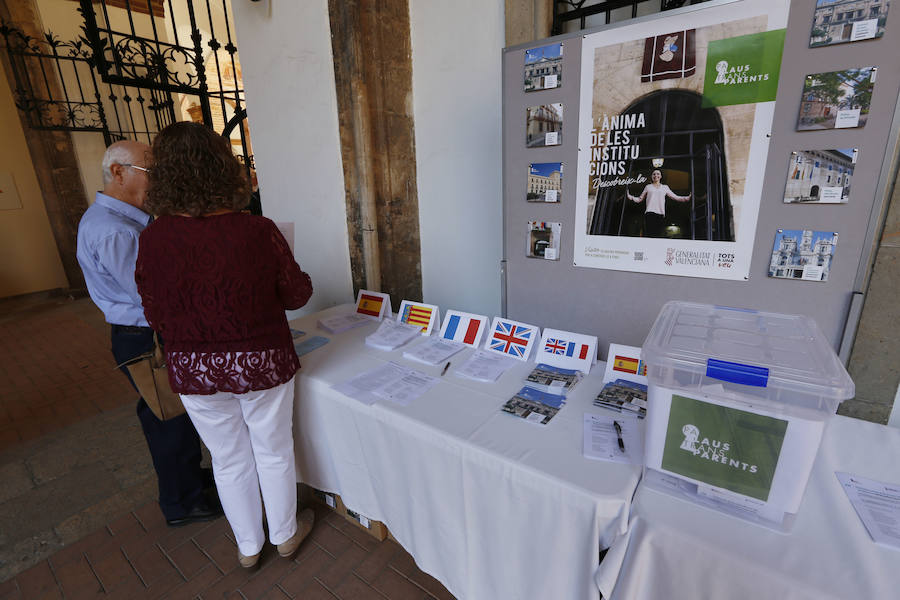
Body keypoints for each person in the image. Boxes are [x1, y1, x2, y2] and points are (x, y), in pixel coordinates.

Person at [135, 122, 315, 569]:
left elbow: (153, 312)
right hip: (260, 360)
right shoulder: (257, 230)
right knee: (272, 449)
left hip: (195, 369)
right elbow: (297, 295)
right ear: (222, 167)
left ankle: (249, 548)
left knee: (227, 457)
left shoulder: (153, 238)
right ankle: (286, 536)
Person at [76, 140, 221, 527]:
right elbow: (151, 294)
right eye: (150, 171)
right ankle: (182, 503)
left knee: (172, 414)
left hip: (143, 333)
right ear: (118, 173)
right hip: (145, 337)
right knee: (168, 418)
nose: (157, 182)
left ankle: (188, 482)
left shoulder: (122, 221)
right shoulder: (115, 231)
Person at [626, 169, 691, 238]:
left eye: (658, 174)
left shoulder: (665, 187)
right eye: (654, 174)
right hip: (650, 213)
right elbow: (639, 199)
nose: (656, 175)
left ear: (660, 176)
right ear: (651, 176)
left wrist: (687, 198)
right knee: (649, 234)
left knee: (658, 234)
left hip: (660, 214)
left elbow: (675, 197)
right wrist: (630, 196)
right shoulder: (648, 187)